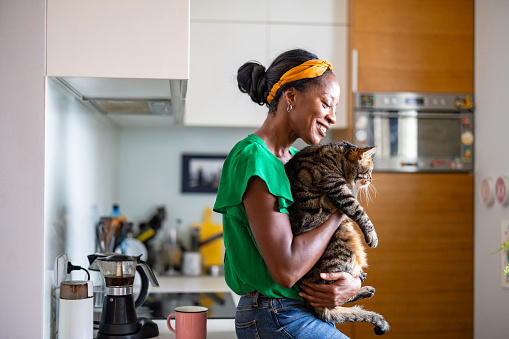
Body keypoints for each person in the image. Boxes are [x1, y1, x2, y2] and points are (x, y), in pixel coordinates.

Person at [213, 49, 361, 339]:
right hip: (274, 314)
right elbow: (288, 270)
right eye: (326, 103)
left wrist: (352, 281)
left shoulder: (298, 160)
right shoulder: (254, 159)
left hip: (298, 311)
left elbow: (325, 246)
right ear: (291, 97)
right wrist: (341, 209)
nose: (332, 117)